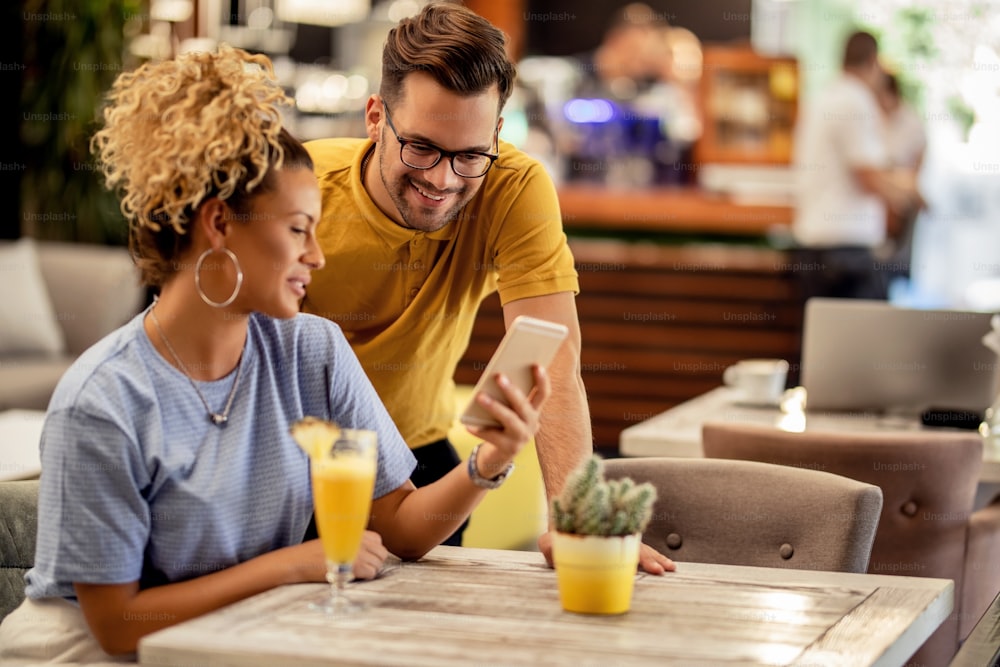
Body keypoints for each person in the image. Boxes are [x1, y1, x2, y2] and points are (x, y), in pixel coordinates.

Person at [0, 45, 549, 664]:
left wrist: (488, 463)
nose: (316, 256)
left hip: (234, 644)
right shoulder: (104, 399)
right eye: (297, 229)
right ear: (219, 224)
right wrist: (290, 565)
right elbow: (120, 625)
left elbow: (403, 526)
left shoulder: (310, 351)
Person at [301, 2, 672, 574]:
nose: (442, 180)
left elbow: (553, 353)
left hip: (419, 467)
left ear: (496, 133)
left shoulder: (512, 188)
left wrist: (571, 516)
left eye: (470, 154)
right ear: (375, 117)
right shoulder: (303, 192)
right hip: (296, 467)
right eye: (420, 147)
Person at [791, 30, 924, 302]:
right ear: (874, 62)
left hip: (814, 244)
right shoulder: (857, 100)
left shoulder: (822, 97)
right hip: (846, 251)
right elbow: (868, 176)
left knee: (821, 339)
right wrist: (907, 197)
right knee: (859, 341)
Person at [875, 69, 928, 289]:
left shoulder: (911, 122)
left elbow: (916, 164)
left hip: (900, 193)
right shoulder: (872, 118)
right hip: (880, 195)